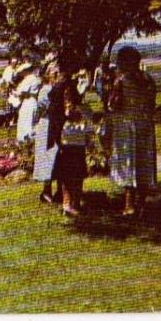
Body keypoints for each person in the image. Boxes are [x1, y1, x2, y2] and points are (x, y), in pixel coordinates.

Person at [108, 46, 157, 217]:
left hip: (127, 125)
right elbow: (152, 105)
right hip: (145, 124)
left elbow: (114, 104)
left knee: (129, 163)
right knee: (143, 163)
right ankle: (141, 204)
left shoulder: (121, 81)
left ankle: (129, 206)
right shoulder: (149, 79)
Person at [53, 85, 93, 216]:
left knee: (78, 175)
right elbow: (56, 127)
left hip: (78, 145)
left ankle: (76, 203)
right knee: (66, 176)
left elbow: (88, 127)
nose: (67, 97)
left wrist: (89, 142)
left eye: (69, 94)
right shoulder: (59, 110)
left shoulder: (83, 109)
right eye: (64, 95)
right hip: (65, 145)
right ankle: (66, 203)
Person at [33, 64, 61, 203]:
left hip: (58, 125)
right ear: (48, 74)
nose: (56, 73)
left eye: (58, 70)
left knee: (59, 156)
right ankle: (46, 190)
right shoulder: (45, 90)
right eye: (53, 71)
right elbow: (42, 109)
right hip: (47, 124)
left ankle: (60, 190)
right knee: (47, 157)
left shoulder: (60, 88)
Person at [14, 62, 41, 142]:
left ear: (25, 71)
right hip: (31, 101)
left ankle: (26, 140)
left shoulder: (29, 79)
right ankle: (27, 140)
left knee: (27, 121)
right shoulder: (34, 78)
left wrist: (15, 94)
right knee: (30, 121)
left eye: (22, 72)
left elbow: (22, 92)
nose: (21, 74)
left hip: (28, 101)